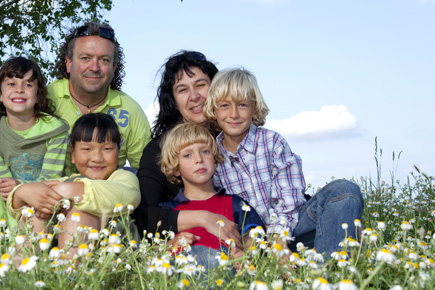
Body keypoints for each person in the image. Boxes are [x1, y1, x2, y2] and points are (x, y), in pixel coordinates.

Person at [0, 22, 151, 217]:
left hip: (104, 202)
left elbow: (144, 173)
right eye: (85, 58)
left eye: (104, 60)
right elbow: (10, 147)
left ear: (114, 67)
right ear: (69, 63)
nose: (94, 67)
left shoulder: (131, 110)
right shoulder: (42, 98)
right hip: (44, 199)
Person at [204, 67, 364, 255]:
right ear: (213, 110)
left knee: (345, 189)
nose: (234, 114)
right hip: (250, 243)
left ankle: (332, 267)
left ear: (254, 107)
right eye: (224, 105)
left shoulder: (273, 142)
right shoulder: (212, 155)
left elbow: (289, 198)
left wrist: (279, 239)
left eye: (242, 105)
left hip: (293, 230)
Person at [132, 51, 244, 249]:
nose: (194, 96)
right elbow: (144, 217)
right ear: (174, 101)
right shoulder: (159, 150)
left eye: (201, 85)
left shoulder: (238, 135)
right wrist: (203, 217)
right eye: (182, 90)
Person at [0, 57, 69, 268]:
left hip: (46, 202)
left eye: (28, 84)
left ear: (38, 94)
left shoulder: (56, 129)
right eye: (11, 84)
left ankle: (20, 269)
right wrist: (18, 191)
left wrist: (22, 189)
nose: (19, 90)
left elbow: (49, 180)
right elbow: (3, 184)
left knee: (36, 212)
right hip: (11, 202)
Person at [6, 113, 141, 257]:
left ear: (118, 151)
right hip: (65, 248)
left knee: (77, 211)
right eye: (87, 149)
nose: (97, 158)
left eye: (107, 149)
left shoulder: (122, 176)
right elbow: (19, 207)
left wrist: (64, 191)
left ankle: (70, 274)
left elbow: (129, 195)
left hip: (114, 252)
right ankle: (22, 272)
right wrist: (21, 193)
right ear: (72, 153)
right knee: (35, 212)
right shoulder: (66, 181)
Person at [158, 122, 264, 269]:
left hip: (230, 275)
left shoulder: (234, 203)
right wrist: (170, 245)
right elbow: (154, 251)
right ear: (175, 168)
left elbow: (254, 232)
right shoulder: (169, 211)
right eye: (188, 155)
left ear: (215, 161)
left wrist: (246, 252)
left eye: (205, 152)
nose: (199, 159)